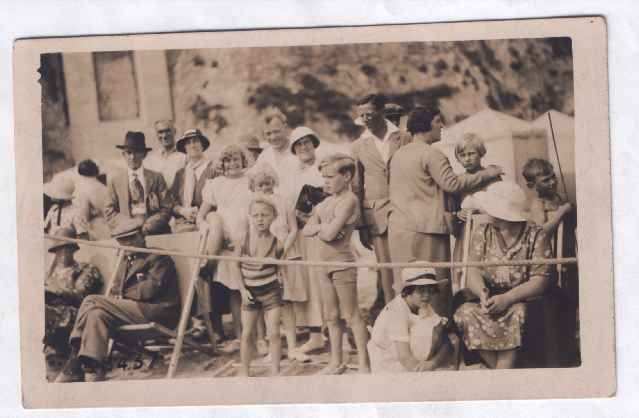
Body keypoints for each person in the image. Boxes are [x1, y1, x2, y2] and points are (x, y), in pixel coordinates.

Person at [388, 106, 503, 316]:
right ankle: (436, 341)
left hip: (398, 231)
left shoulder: (398, 155)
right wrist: (489, 173)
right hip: (426, 231)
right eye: (438, 121)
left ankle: (405, 338)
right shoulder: (432, 154)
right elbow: (452, 184)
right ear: (427, 124)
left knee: (406, 289)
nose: (442, 126)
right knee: (434, 291)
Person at [55, 217, 180, 382]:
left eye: (130, 239)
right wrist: (119, 294)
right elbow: (116, 288)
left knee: (91, 300)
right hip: (134, 311)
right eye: (122, 241)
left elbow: (150, 290)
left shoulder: (158, 257)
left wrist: (122, 294)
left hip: (157, 312)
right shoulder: (124, 262)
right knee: (96, 314)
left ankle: (74, 355)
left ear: (141, 237)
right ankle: (94, 368)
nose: (126, 245)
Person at [452, 181, 552, 369]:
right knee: (465, 313)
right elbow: (472, 269)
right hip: (488, 295)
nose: (487, 213)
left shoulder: (536, 235)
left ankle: (501, 372)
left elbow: (540, 280)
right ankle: (501, 372)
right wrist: (482, 293)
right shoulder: (483, 231)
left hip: (524, 297)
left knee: (518, 314)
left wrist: (507, 298)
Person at [302, 153, 370, 374]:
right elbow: (306, 229)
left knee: (351, 315)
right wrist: (324, 226)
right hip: (322, 265)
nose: (326, 182)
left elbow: (330, 235)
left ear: (347, 176)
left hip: (342, 263)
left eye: (331, 177)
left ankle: (364, 363)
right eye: (324, 178)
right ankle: (336, 361)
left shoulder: (349, 200)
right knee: (330, 316)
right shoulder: (326, 202)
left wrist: (322, 227)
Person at [350, 94, 413, 319]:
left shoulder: (405, 138)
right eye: (361, 115)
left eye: (369, 113)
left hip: (406, 212)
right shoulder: (358, 146)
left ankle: (414, 317)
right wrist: (361, 225)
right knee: (386, 273)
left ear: (381, 111)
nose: (365, 119)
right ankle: (393, 320)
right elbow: (356, 187)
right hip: (376, 216)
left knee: (408, 267)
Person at [247, 163, 311, 362]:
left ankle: (292, 346)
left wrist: (283, 249)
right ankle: (274, 347)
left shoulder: (282, 202)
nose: (265, 188)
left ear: (273, 183)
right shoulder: (252, 207)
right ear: (253, 187)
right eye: (260, 185)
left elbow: (293, 228)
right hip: (264, 258)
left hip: (285, 254)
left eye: (267, 184)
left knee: (287, 302)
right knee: (269, 303)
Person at [196, 143, 254, 352]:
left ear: (243, 160)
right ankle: (241, 336)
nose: (232, 164)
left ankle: (261, 337)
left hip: (250, 240)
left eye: (236, 159)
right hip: (227, 245)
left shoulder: (251, 181)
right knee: (235, 291)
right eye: (227, 160)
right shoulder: (215, 184)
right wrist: (213, 230)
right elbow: (201, 216)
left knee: (256, 288)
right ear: (222, 163)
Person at [231, 196, 284, 377]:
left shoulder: (278, 243)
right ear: (250, 217)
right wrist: (242, 290)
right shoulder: (242, 239)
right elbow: (235, 266)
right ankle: (244, 372)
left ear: (273, 217)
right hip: (250, 292)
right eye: (256, 215)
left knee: (274, 332)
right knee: (247, 334)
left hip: (271, 291)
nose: (260, 219)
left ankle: (276, 371)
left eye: (264, 215)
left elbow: (281, 269)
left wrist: (280, 269)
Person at [368, 265, 453, 374]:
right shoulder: (397, 311)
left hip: (417, 363)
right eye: (421, 290)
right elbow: (404, 357)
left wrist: (433, 363)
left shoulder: (422, 305)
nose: (426, 295)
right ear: (408, 291)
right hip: (390, 366)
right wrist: (422, 374)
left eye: (430, 290)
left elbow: (446, 341)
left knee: (445, 334)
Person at [288, 126, 327, 355]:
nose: (303, 147)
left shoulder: (324, 168)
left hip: (324, 231)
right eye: (298, 144)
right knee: (310, 283)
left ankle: (338, 333)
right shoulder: (292, 173)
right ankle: (315, 335)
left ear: (314, 144)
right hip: (302, 234)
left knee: (328, 280)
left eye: (307, 142)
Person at [45, 227, 103, 371]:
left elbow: (81, 297)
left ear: (74, 249)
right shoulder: (49, 274)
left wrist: (56, 290)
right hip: (51, 313)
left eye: (68, 248)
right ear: (55, 251)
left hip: (75, 314)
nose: (64, 252)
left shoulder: (85, 269)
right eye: (60, 249)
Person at [450, 133, 502, 291]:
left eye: (471, 154)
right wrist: (457, 214)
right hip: (467, 233)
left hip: (489, 232)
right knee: (463, 269)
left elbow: (502, 205)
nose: (467, 159)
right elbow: (453, 208)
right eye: (462, 155)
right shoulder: (458, 182)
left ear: (481, 153)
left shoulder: (492, 177)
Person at [104, 131, 173, 236]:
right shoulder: (115, 181)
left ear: (144, 154)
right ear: (123, 154)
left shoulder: (156, 178)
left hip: (155, 231)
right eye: (129, 153)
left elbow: (166, 207)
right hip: (127, 233)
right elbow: (109, 212)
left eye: (137, 152)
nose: (132, 157)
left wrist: (150, 224)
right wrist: (129, 224)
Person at [169, 129, 216, 233]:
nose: (192, 145)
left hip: (207, 221)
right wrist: (183, 211)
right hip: (184, 222)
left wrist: (201, 215)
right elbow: (171, 201)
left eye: (196, 141)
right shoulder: (181, 174)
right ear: (185, 148)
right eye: (188, 143)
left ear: (202, 145)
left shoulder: (213, 169)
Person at [251, 107, 298, 199]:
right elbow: (252, 178)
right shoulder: (265, 156)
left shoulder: (299, 150)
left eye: (276, 132)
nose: (273, 137)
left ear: (285, 127)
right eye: (268, 134)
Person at [522, 158, 573, 234]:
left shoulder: (561, 197)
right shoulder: (537, 204)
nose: (553, 182)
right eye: (546, 180)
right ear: (531, 185)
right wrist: (561, 211)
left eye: (553, 176)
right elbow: (540, 232)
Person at [73, 159, 110, 241]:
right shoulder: (104, 187)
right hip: (109, 231)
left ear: (79, 173)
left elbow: (81, 217)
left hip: (94, 233)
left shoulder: (81, 189)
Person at [144, 119, 187, 189]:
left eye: (168, 131)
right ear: (156, 135)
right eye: (160, 132)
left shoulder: (184, 157)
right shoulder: (150, 161)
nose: (164, 136)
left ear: (174, 131)